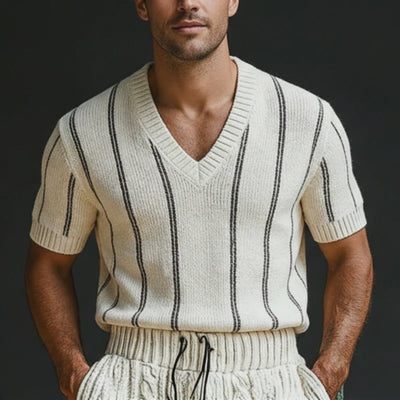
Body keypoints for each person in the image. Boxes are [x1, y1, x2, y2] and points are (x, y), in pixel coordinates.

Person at [24, 1, 373, 399]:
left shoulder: (308, 121)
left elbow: (350, 254)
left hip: (271, 381)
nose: (188, 3)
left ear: (233, 1)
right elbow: (48, 263)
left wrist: (330, 372)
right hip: (133, 380)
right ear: (141, 5)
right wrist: (73, 373)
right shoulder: (83, 132)